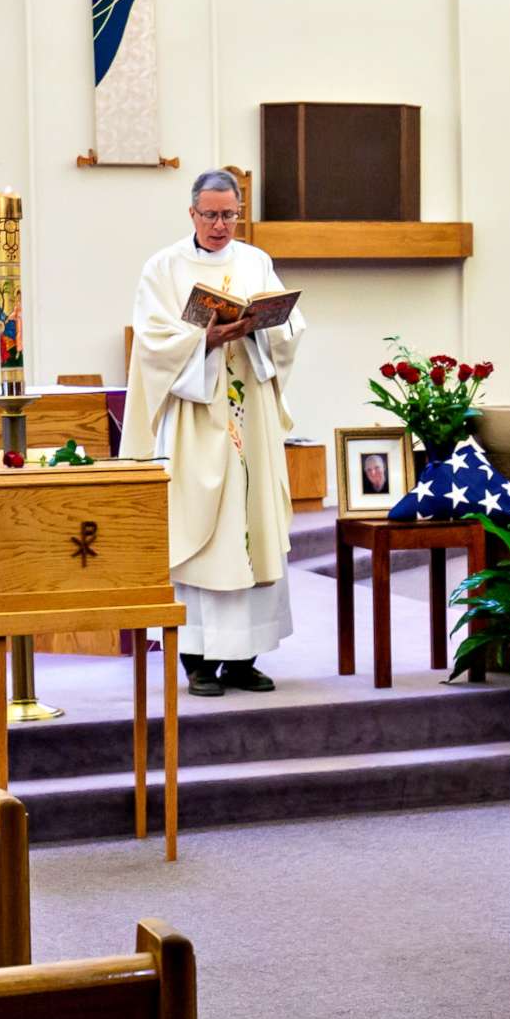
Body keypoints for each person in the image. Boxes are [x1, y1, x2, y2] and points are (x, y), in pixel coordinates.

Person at [120, 170, 307, 697]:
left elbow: (291, 328)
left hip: (251, 416)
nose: (221, 225)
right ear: (192, 214)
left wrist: (266, 325)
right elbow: (152, 343)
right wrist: (201, 339)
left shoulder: (256, 262)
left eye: (230, 215)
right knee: (201, 532)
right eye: (211, 215)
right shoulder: (164, 267)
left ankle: (243, 658)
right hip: (195, 420)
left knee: (252, 529)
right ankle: (198, 660)